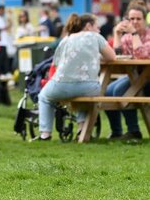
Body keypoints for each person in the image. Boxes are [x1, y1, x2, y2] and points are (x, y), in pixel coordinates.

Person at [35, 13, 115, 141]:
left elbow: (56, 63)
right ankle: (81, 128)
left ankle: (45, 133)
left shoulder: (66, 39)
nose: (99, 30)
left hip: (61, 84)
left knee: (44, 97)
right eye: (97, 26)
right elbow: (111, 57)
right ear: (88, 26)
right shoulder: (95, 37)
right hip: (88, 86)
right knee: (86, 98)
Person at [105, 1, 150, 140]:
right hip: (135, 75)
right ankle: (116, 131)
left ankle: (134, 131)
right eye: (131, 19)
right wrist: (117, 34)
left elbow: (142, 55)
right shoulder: (127, 37)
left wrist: (135, 34)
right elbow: (117, 56)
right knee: (106, 92)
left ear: (145, 19)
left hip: (147, 76)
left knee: (120, 91)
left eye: (138, 19)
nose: (134, 22)